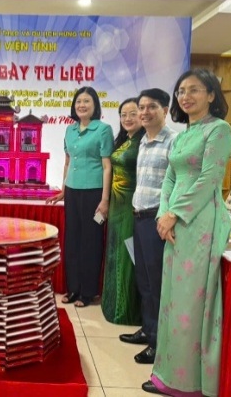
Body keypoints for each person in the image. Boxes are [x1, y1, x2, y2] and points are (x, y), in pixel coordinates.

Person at [142, 69, 231, 396]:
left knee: (189, 303)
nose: (185, 96)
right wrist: (163, 214)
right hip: (174, 222)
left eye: (194, 89)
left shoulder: (219, 130)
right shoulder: (183, 136)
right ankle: (166, 375)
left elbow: (210, 179)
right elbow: (170, 178)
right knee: (171, 300)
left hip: (200, 222)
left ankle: (188, 382)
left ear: (211, 95)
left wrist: (175, 214)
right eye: (181, 90)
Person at [119, 88, 177, 367]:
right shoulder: (143, 141)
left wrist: (169, 216)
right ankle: (147, 329)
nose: (144, 112)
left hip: (157, 219)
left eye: (151, 107)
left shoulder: (174, 141)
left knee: (156, 283)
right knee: (143, 280)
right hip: (139, 216)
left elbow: (178, 183)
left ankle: (158, 343)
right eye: (141, 107)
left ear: (165, 110)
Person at [47, 86, 112, 308]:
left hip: (94, 192)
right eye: (78, 102)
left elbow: (107, 166)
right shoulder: (69, 130)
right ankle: (73, 288)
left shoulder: (103, 130)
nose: (82, 105)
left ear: (95, 106)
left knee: (91, 242)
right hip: (73, 192)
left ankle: (88, 292)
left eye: (86, 101)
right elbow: (67, 162)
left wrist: (105, 199)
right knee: (72, 240)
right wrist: (64, 190)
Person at [101, 98, 144, 324]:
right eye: (123, 114)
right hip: (117, 205)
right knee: (115, 253)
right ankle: (113, 305)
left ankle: (127, 311)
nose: (127, 118)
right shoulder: (125, 140)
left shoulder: (144, 142)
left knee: (129, 255)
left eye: (132, 113)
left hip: (131, 206)